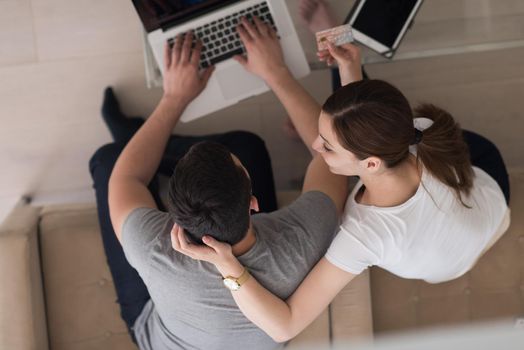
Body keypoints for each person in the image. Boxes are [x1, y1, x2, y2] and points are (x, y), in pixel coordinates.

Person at [173, 14, 511, 343]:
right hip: (488, 192)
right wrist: (349, 71)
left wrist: (227, 264)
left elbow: (284, 326)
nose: (316, 148)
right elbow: (367, 135)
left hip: (472, 224)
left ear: (372, 164)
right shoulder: (417, 132)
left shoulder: (363, 236)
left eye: (327, 147)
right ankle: (344, 80)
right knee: (385, 129)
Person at [91, 19, 349, 350]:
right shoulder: (301, 239)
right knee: (246, 145)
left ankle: (137, 136)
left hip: (156, 336)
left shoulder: (150, 245)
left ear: (173, 211)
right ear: (254, 204)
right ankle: (147, 140)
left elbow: (127, 178)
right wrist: (276, 72)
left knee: (110, 158)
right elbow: (332, 155)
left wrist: (174, 98)